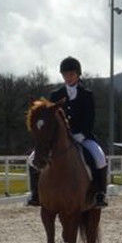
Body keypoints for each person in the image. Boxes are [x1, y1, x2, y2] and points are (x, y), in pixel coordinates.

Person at [27, 56, 109, 208]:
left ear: (78, 75)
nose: (68, 77)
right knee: (32, 159)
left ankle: (99, 194)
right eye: (65, 75)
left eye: (71, 74)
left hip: (83, 136)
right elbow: (50, 118)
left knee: (99, 157)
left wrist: (81, 134)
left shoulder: (87, 94)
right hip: (58, 139)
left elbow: (90, 118)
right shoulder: (55, 95)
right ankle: (36, 194)